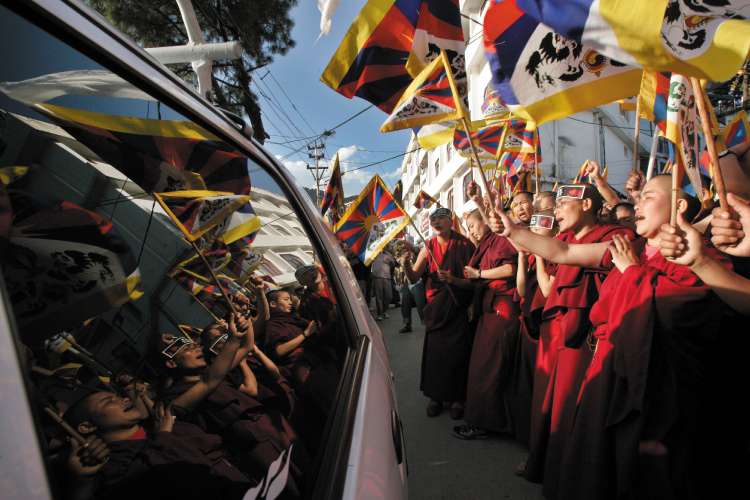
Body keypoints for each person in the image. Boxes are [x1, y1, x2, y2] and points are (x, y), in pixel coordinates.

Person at [497, 175, 727, 500]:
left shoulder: (702, 259)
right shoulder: (628, 248)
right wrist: (513, 231)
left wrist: (634, 274)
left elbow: (674, 312)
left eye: (647, 196)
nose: (637, 203)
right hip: (608, 368)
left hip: (658, 384)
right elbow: (562, 251)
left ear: (680, 205)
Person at [512, 184, 636, 492]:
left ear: (587, 204)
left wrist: (516, 232)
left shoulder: (616, 238)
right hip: (558, 334)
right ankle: (552, 469)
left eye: (563, 202)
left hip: (592, 338)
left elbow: (563, 254)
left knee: (579, 409)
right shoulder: (562, 238)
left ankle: (575, 478)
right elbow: (546, 288)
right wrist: (532, 249)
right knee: (556, 405)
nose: (556, 210)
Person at [400, 207, 475, 419]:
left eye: (441, 218)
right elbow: (414, 277)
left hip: (458, 305)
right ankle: (436, 397)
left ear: (451, 221)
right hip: (437, 308)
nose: (436, 222)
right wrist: (406, 264)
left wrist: (457, 284)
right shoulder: (428, 246)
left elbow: (474, 280)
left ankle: (458, 398)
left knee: (459, 354)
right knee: (436, 355)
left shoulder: (465, 244)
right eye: (433, 219)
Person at [453, 208, 518, 439]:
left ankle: (485, 423)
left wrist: (480, 274)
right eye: (468, 227)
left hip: (502, 308)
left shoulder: (500, 240)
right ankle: (489, 419)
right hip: (489, 308)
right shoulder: (486, 244)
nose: (471, 231)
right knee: (485, 366)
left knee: (488, 367)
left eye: (473, 225)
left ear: (486, 222)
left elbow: (511, 269)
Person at [370, 250, 394, 321]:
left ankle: (384, 311)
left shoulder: (388, 253)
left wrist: (390, 262)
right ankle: (380, 314)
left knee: (389, 296)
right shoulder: (373, 253)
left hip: (387, 276)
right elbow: (369, 262)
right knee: (379, 296)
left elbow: (393, 264)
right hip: (377, 276)